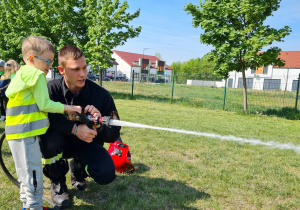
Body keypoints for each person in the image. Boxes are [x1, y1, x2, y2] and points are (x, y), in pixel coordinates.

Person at [39, 45, 121, 208]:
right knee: (48, 138)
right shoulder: (50, 90)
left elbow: (114, 131)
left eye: (84, 68)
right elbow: (45, 119)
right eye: (76, 69)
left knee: (106, 174)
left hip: (87, 143)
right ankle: (57, 182)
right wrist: (74, 129)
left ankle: (78, 169)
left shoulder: (101, 95)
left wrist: (98, 125)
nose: (83, 74)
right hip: (58, 142)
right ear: (61, 70)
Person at [5, 36, 82, 210]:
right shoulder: (36, 75)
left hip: (16, 134)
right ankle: (34, 207)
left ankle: (29, 206)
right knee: (33, 174)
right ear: (32, 59)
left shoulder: (21, 74)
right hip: (26, 134)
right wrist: (67, 108)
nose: (49, 66)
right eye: (47, 61)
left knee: (25, 174)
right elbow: (44, 104)